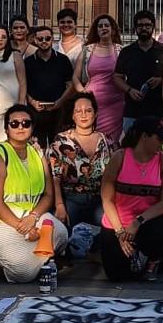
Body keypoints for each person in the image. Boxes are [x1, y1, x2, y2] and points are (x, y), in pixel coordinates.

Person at [0, 104, 68, 282]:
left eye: (26, 123)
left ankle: (34, 257)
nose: (20, 127)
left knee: (61, 233)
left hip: (31, 214)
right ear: (6, 128)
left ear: (32, 127)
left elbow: (48, 194)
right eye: (15, 123)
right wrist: (24, 228)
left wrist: (33, 217)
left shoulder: (37, 154)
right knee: (23, 272)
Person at [99, 117, 163, 281]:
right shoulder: (119, 157)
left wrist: (138, 221)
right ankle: (128, 255)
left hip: (147, 220)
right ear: (144, 136)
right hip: (118, 221)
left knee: (161, 231)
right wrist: (120, 232)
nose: (162, 143)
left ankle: (153, 259)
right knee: (117, 276)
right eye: (159, 138)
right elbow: (107, 199)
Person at [48, 93, 114, 229]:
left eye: (88, 111)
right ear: (72, 115)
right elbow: (55, 177)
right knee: (60, 227)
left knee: (112, 227)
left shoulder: (107, 140)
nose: (83, 115)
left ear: (95, 114)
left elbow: (114, 177)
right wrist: (59, 205)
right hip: (71, 198)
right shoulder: (61, 141)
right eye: (78, 111)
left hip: (100, 200)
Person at [114, 10, 163, 135]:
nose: (144, 28)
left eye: (147, 25)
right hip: (133, 110)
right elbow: (117, 77)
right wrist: (129, 90)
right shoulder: (127, 52)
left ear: (153, 27)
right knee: (131, 146)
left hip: (157, 110)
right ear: (135, 28)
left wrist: (161, 79)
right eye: (140, 26)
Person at [73, 14, 125, 143]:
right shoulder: (88, 50)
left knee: (113, 141)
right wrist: (82, 91)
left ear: (112, 29)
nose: (103, 28)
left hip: (115, 105)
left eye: (106, 25)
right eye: (100, 26)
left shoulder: (120, 51)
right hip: (93, 103)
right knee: (93, 136)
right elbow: (75, 76)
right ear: (96, 30)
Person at [24, 26, 75, 146]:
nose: (44, 41)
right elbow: (22, 85)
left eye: (47, 38)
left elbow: (70, 84)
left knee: (58, 144)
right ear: (35, 41)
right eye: (40, 39)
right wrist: (32, 102)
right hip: (36, 110)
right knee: (37, 146)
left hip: (58, 110)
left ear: (53, 39)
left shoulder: (63, 60)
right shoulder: (28, 62)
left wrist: (60, 102)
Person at [0, 25, 26, 143]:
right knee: (0, 142)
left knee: (17, 140)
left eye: (4, 37)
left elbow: (22, 81)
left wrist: (21, 104)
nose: (0, 39)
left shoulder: (15, 55)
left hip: (16, 104)